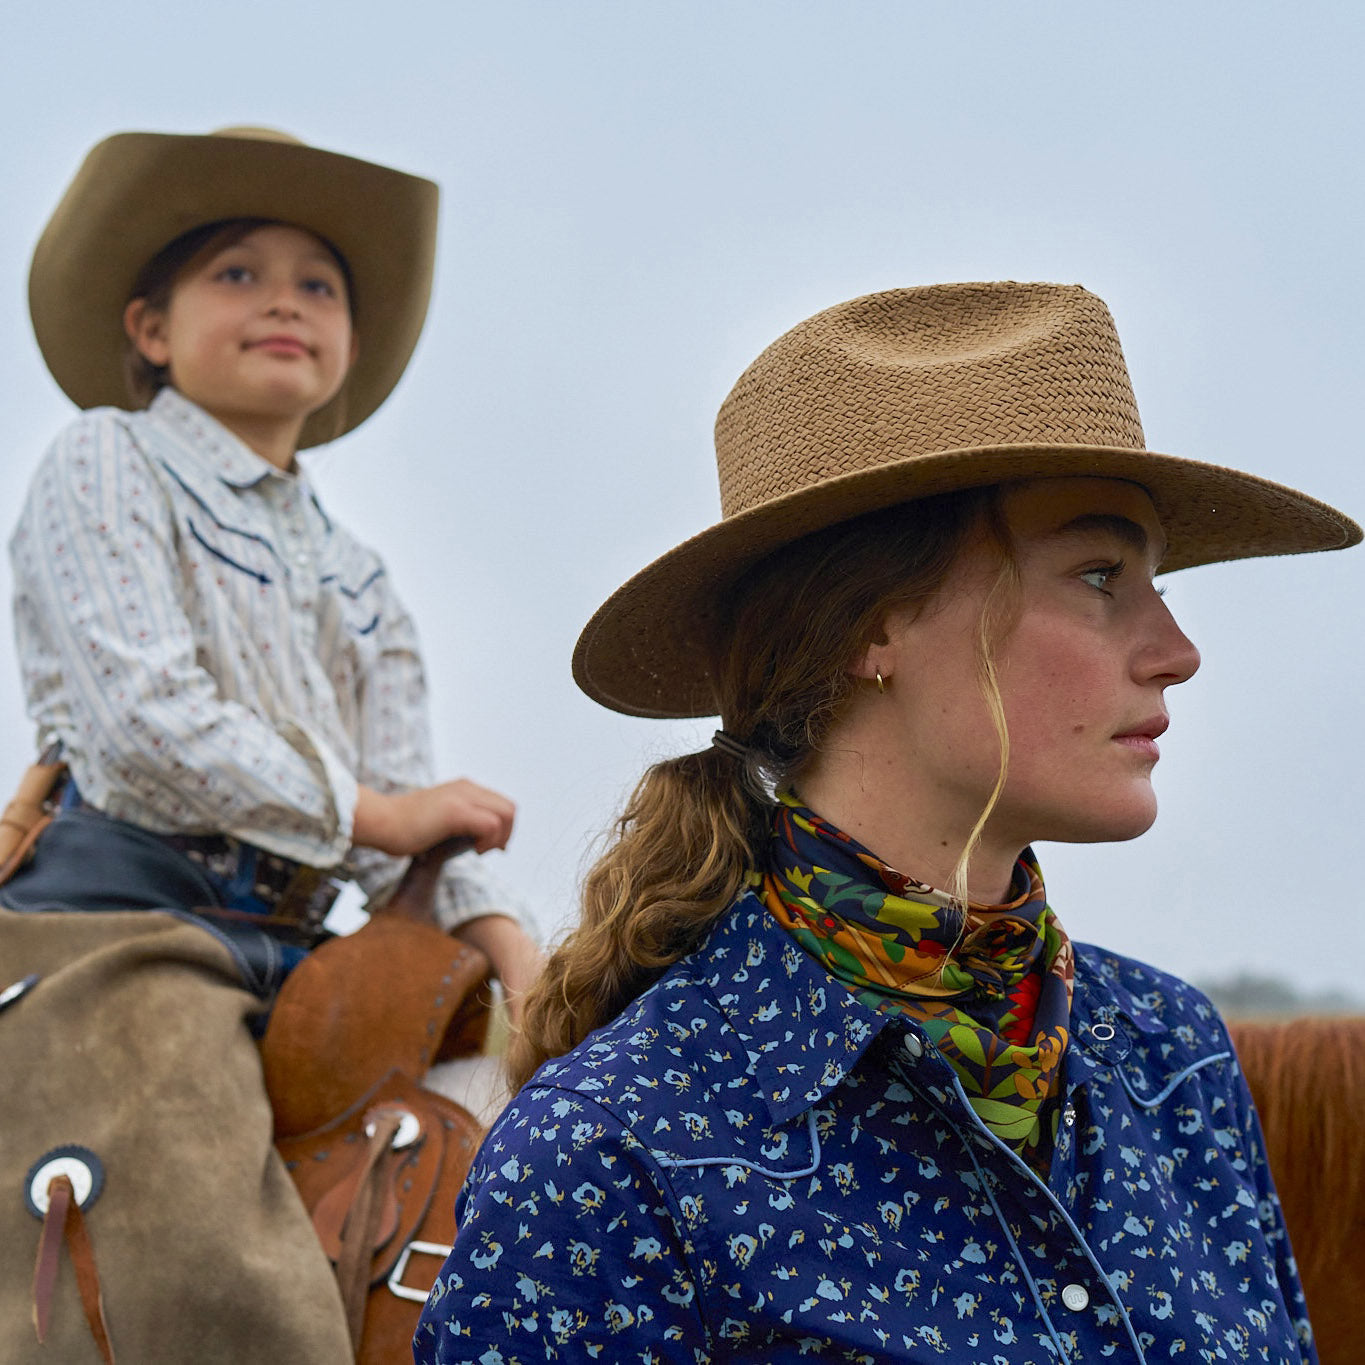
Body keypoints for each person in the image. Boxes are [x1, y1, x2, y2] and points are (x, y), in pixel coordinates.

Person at [415, 282, 1357, 1364]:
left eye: (1155, 579)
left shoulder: (1176, 1060)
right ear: (873, 623)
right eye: (1101, 574)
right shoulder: (609, 1155)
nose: (1177, 648)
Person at [1, 126, 540, 1362]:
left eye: (320, 284)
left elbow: (415, 798)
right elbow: (143, 728)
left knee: (520, 1147)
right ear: (150, 330)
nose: (285, 301)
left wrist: (512, 949)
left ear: (345, 342)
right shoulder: (107, 458)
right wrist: (381, 819)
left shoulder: (360, 577)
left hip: (302, 949)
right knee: (198, 1268)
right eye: (237, 274)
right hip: (128, 923)